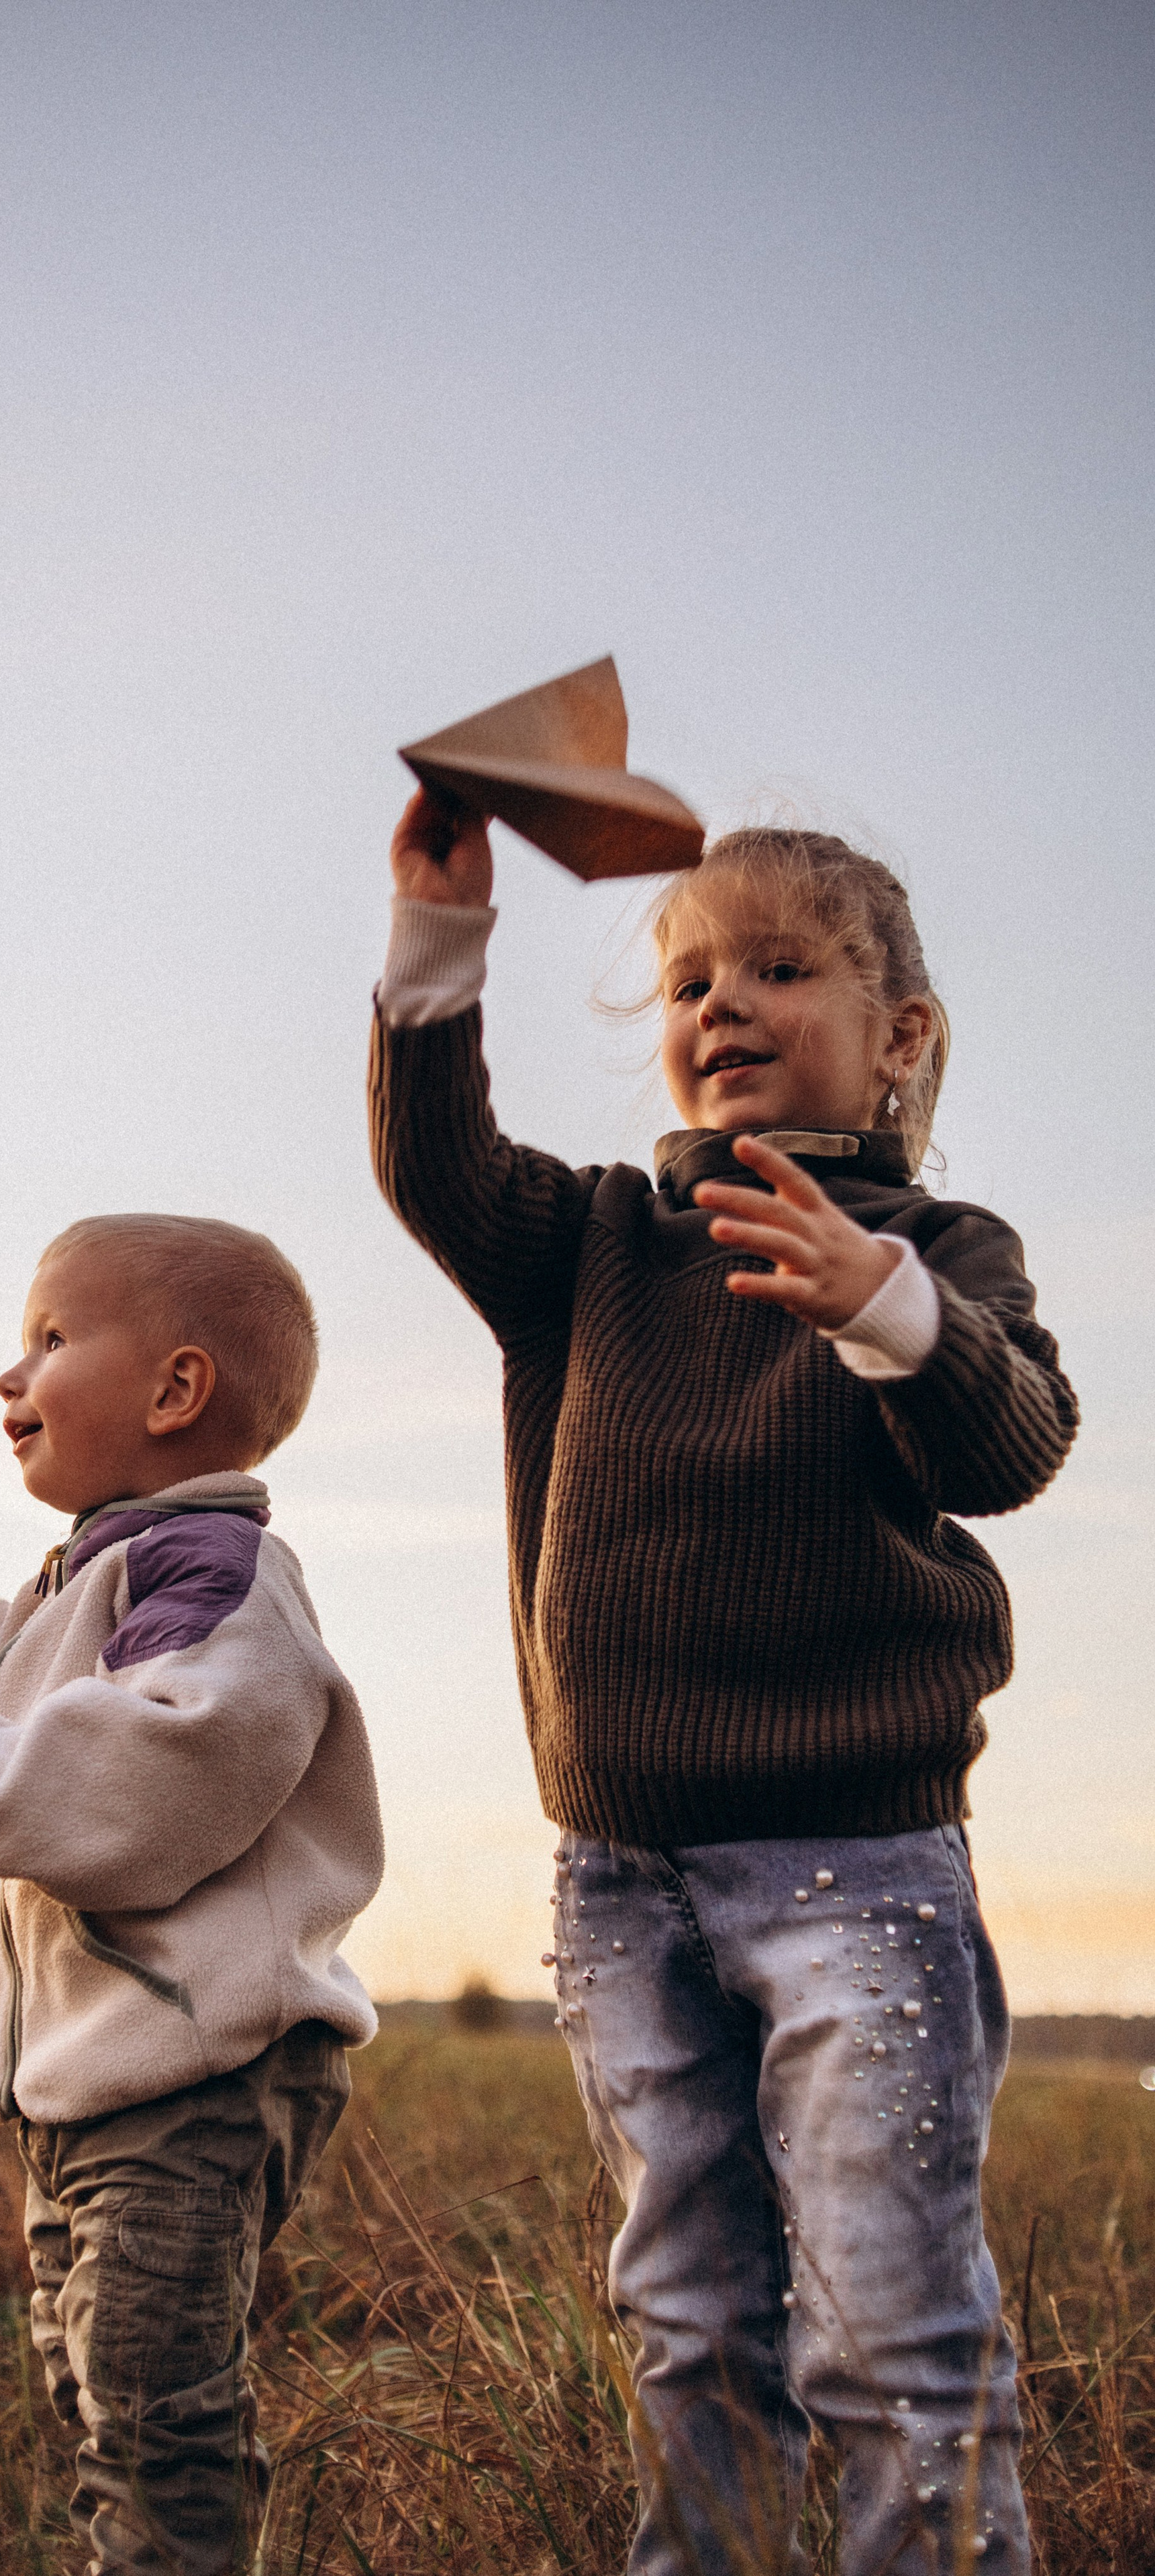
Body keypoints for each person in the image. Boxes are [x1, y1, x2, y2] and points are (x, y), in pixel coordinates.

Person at [368, 796, 1077, 2576]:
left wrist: (886, 1304)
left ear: (896, 1031)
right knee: (689, 2312)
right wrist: (440, 940)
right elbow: (439, 1174)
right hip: (622, 1882)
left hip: (860, 1869)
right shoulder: (596, 1241)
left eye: (779, 966)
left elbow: (1016, 1442)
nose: (722, 1004)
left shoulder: (943, 1251)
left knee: (888, 2324)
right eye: (690, 978)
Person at [0, 1213, 384, 2576]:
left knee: (154, 2403)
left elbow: (169, 1758)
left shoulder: (211, 1578)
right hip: (89, 2085)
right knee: (96, 2382)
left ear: (173, 1391)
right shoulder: (74, 1588)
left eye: (50, 1338)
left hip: (196, 2073)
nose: (11, 1372)